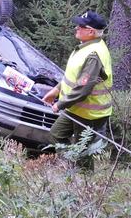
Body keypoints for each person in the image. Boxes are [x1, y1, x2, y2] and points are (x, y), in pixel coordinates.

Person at [42, 10, 113, 167]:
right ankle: (70, 165)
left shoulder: (94, 54)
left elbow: (83, 89)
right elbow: (75, 78)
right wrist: (56, 90)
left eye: (80, 26)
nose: (76, 28)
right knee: (55, 135)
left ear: (90, 31)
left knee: (82, 151)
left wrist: (59, 104)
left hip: (90, 114)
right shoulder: (85, 47)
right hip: (76, 108)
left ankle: (82, 180)